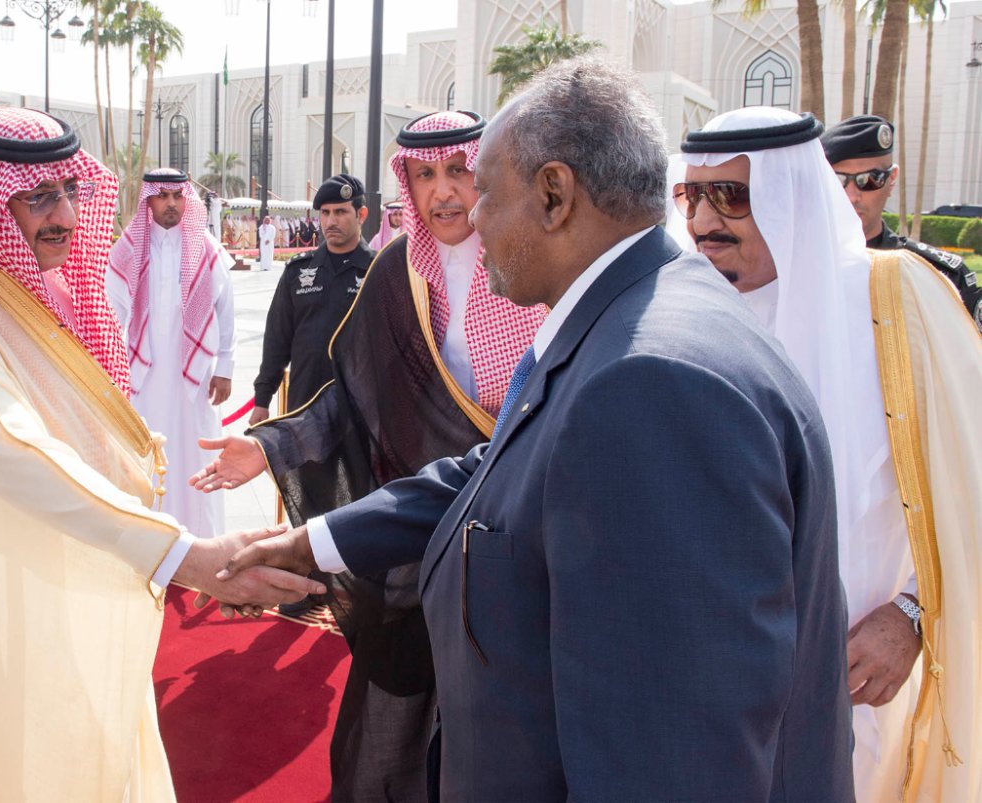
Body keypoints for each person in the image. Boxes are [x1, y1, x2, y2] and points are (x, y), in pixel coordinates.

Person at [220, 56, 856, 802]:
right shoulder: (635, 315)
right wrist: (312, 541)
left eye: (486, 191)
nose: (472, 217)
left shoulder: (651, 384)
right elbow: (496, 468)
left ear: (554, 195)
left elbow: (674, 749)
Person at [0, 106, 322, 803]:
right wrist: (183, 554)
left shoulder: (17, 276)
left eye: (70, 191)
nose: (65, 216)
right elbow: (13, 449)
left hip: (63, 566)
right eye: (37, 197)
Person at [192, 110, 545, 801]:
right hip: (418, 528)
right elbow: (353, 400)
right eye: (424, 175)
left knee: (500, 715)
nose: (443, 191)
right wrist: (269, 444)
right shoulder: (396, 273)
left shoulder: (530, 262)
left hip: (515, 523)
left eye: (458, 170)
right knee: (395, 711)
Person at [679, 106, 981, 803]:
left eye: (730, 196)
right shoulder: (679, 310)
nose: (702, 222)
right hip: (713, 695)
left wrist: (914, 613)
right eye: (691, 195)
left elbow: (972, 479)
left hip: (861, 691)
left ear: (789, 195)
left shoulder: (898, 300)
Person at [108, 168, 235, 540]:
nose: (171, 204)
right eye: (162, 196)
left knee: (197, 455)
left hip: (195, 380)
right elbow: (112, 313)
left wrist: (225, 367)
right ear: (148, 199)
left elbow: (225, 310)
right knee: (144, 455)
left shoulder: (206, 248)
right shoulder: (128, 249)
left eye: (178, 196)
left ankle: (202, 544)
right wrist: (112, 370)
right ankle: (148, 540)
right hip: (142, 377)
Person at [821, 115, 982, 331]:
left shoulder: (937, 274)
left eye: (869, 180)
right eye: (839, 180)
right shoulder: (795, 267)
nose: (852, 196)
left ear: (892, 179)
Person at [249, 174, 374, 427]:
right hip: (305, 407)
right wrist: (262, 399)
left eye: (340, 212)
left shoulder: (378, 270)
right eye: (325, 213)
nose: (331, 221)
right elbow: (277, 339)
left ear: (361, 215)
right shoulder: (299, 271)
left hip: (362, 411)